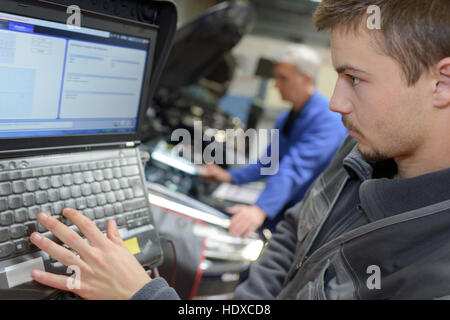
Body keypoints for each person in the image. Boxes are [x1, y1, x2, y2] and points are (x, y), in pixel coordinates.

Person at [29, 0, 450, 300]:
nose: (337, 101)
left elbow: (292, 171)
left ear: (442, 83)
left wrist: (142, 295)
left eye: (355, 78)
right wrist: (231, 178)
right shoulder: (364, 143)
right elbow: (294, 228)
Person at [202, 44, 347, 238]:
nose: (276, 84)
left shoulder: (328, 121)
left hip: (311, 219)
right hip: (285, 206)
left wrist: (260, 209)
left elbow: (294, 169)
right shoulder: (286, 117)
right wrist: (229, 177)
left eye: (283, 78)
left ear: (307, 79)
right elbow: (268, 164)